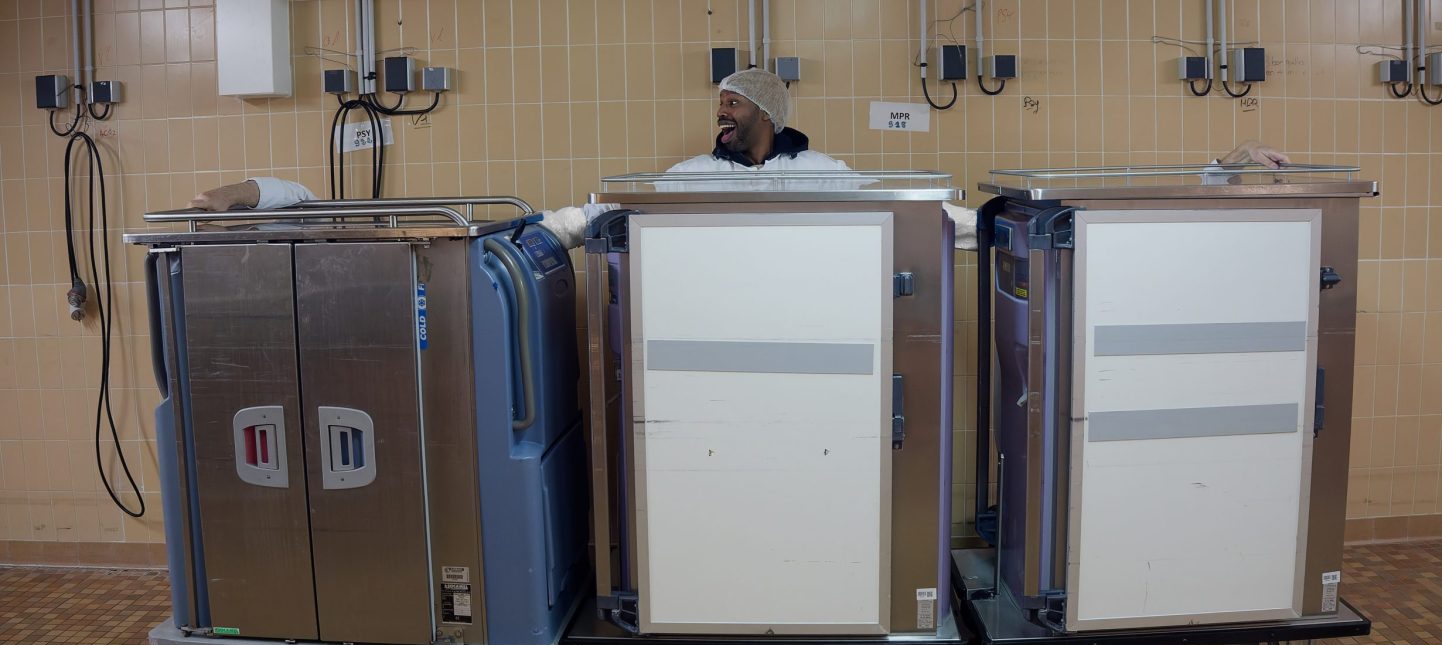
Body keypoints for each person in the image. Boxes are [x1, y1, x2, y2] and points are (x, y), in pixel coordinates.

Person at [190, 68, 1289, 250]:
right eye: (717, 104)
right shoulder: (692, 183)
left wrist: (1207, 187)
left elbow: (937, 220)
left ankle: (1214, 181)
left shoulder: (822, 174)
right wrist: (525, 235)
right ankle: (289, 204)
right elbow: (590, 217)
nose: (718, 116)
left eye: (732, 104)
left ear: (767, 115)